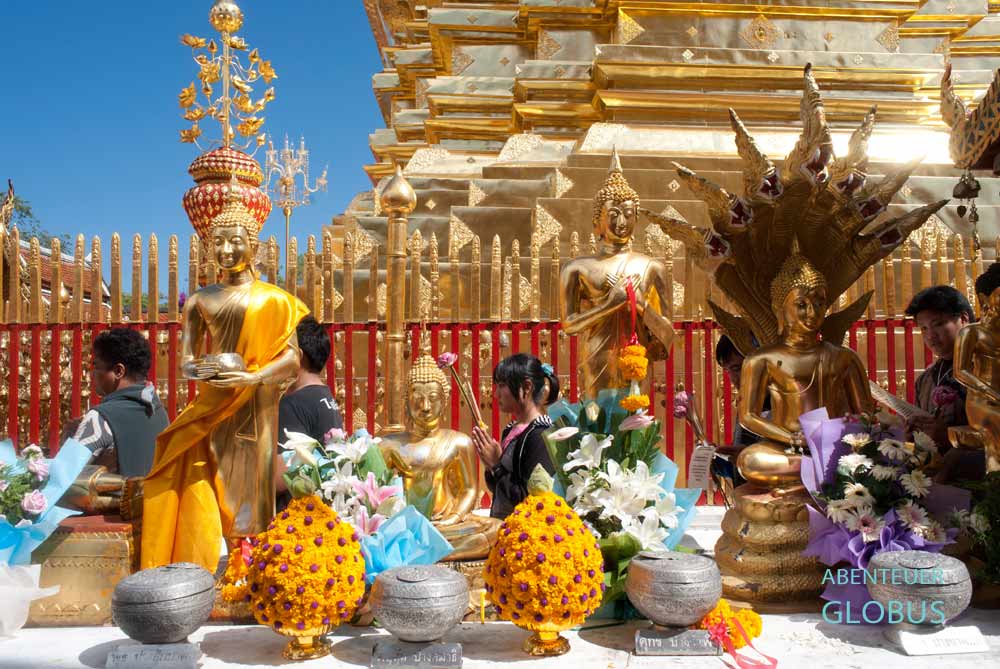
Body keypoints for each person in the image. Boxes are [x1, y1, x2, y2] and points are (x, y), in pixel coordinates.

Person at [68, 327, 168, 478]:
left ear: (118, 371)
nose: (92, 374)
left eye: (96, 366)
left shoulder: (100, 418)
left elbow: (65, 475)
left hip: (118, 501)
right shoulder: (159, 411)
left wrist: (67, 440)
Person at [470, 354, 559, 518]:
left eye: (502, 385)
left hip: (525, 534)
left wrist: (497, 466)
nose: (496, 394)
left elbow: (529, 499)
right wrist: (491, 466)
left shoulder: (541, 435)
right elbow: (500, 490)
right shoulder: (512, 429)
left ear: (526, 387)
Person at [904, 286, 974, 454]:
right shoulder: (925, 379)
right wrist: (910, 438)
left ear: (963, 319)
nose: (930, 335)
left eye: (938, 324)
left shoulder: (986, 370)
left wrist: (950, 436)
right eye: (924, 328)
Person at [278, 315, 343, 443]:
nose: (279, 361)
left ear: (298, 356)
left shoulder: (292, 404)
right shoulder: (326, 395)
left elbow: (284, 461)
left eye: (283, 353)